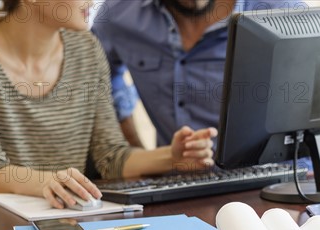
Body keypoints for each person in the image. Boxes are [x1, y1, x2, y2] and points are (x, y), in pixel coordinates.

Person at [0, 0, 217, 214]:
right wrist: (48, 182)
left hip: (68, 222)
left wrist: (172, 157)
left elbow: (111, 156)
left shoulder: (86, 48)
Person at [92, 0, 306, 147]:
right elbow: (99, 80)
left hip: (270, 184)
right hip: (175, 186)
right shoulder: (118, 14)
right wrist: (135, 153)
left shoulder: (282, 10)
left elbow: (315, 99)